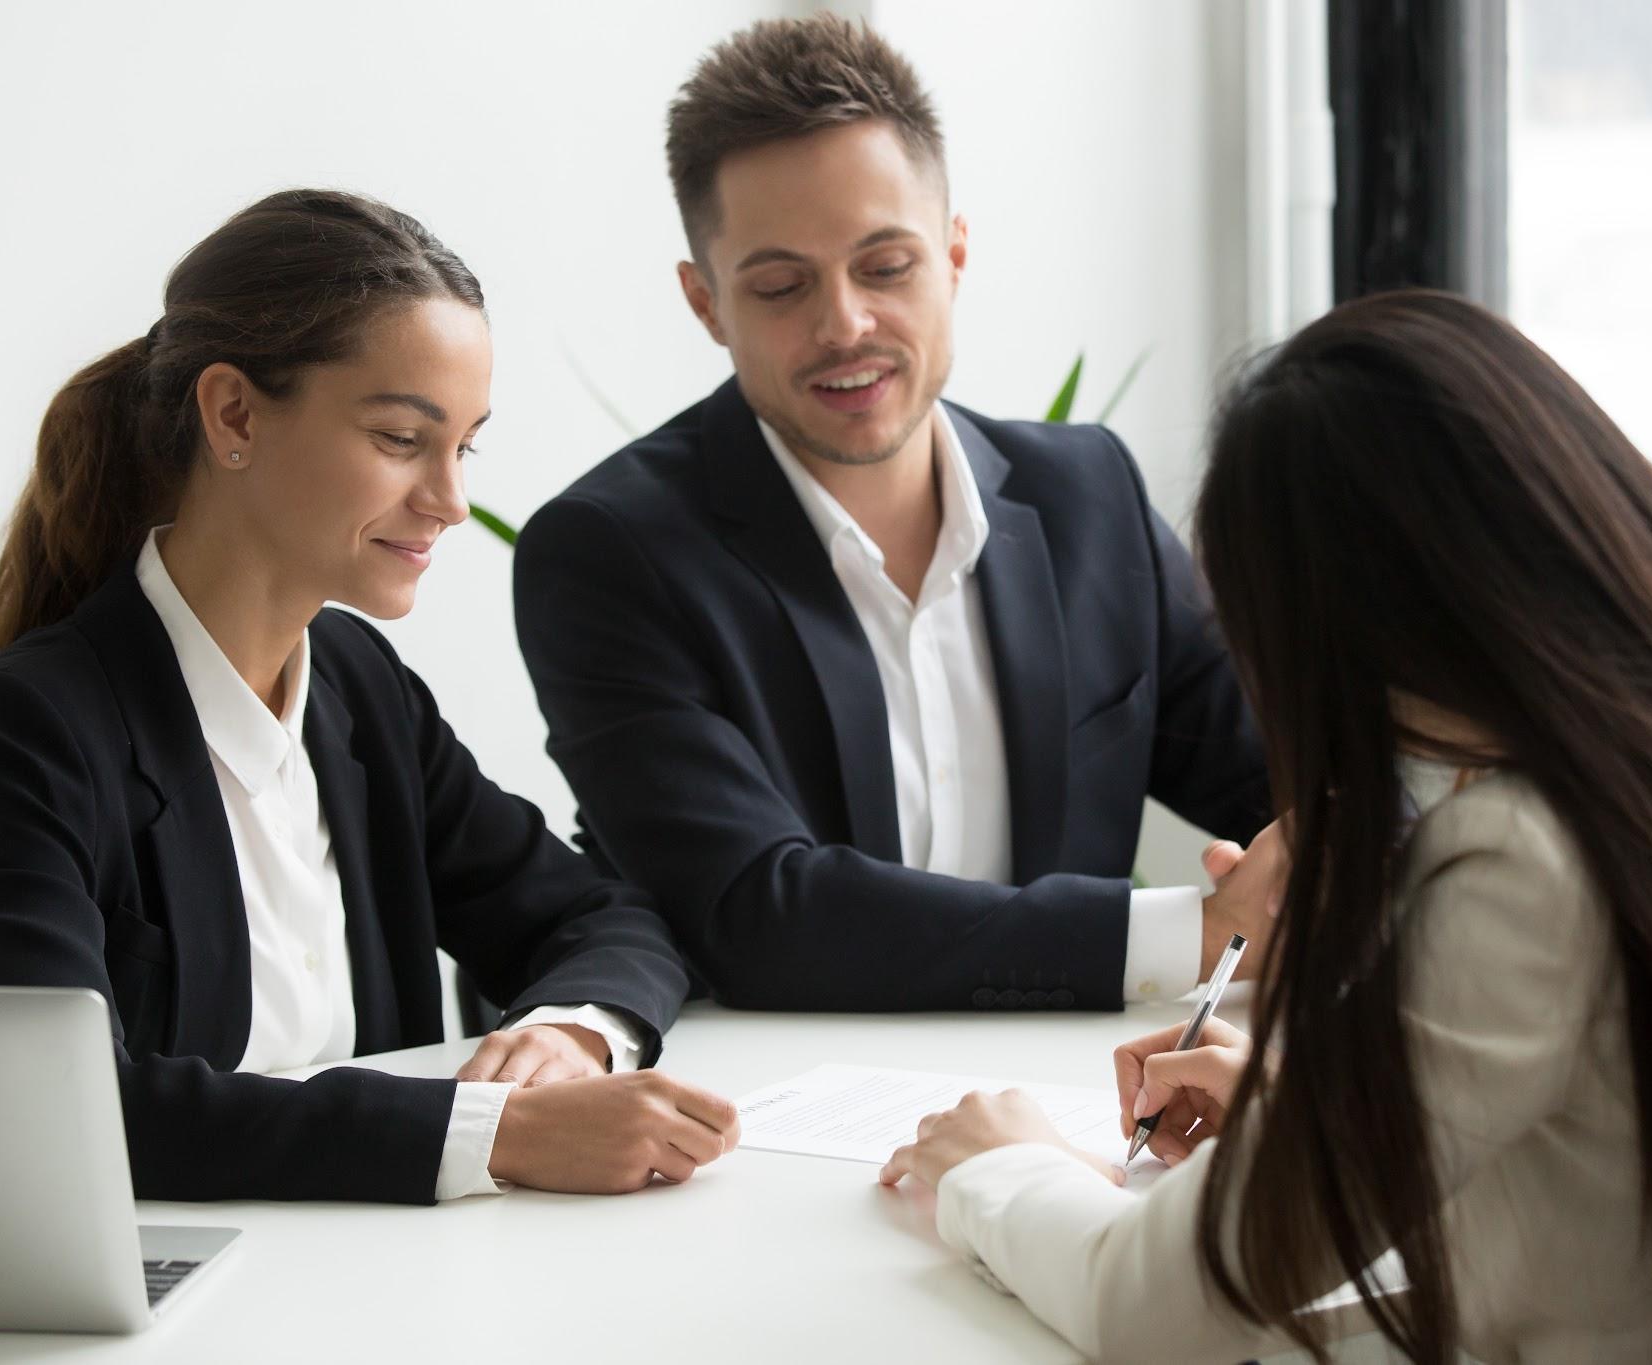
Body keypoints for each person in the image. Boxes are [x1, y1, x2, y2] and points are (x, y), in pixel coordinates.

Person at [880, 290, 1652, 1362]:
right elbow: (1618, 1138)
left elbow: (1146, 1309)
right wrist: (1314, 1106)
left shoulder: (1517, 857)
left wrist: (1001, 1166)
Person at [0, 189, 739, 1205]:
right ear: (234, 416)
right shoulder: (25, 734)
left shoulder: (362, 693)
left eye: (464, 446)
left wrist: (568, 1032)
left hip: (394, 1278)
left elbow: (604, 917)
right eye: (402, 438)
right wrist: (488, 1135)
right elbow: (62, 1107)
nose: (447, 500)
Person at [513, 14, 1275, 1014]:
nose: (844, 325)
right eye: (781, 286)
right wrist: (1196, 931)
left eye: (885, 267)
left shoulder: (1087, 495)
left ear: (953, 257)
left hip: (1070, 1105)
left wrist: (1338, 853)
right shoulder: (610, 554)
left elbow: (1282, 768)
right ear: (705, 305)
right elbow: (758, 913)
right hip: (749, 1125)